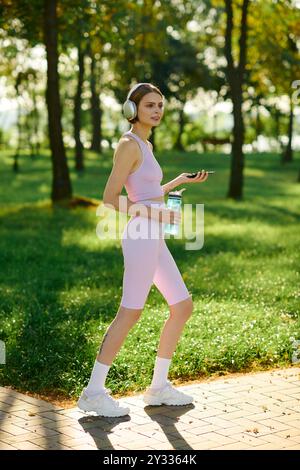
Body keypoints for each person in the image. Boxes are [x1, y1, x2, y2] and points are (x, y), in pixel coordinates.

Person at [77, 83, 209, 417]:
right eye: (150, 105)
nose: (157, 110)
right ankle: (93, 392)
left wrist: (176, 182)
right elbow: (109, 200)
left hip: (154, 236)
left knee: (182, 306)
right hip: (140, 236)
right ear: (132, 109)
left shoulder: (145, 145)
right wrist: (157, 213)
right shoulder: (128, 144)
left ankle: (158, 387)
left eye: (161, 105)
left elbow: (145, 192)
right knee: (130, 312)